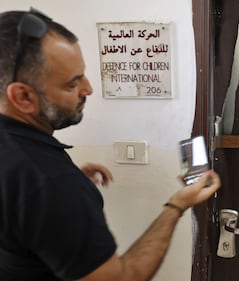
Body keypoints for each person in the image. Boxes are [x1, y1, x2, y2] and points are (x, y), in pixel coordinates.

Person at [0, 8, 221, 281]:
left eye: (83, 74)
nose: (89, 89)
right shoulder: (50, 182)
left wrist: (59, 190)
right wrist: (176, 206)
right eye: (72, 84)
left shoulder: (34, 174)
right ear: (22, 96)